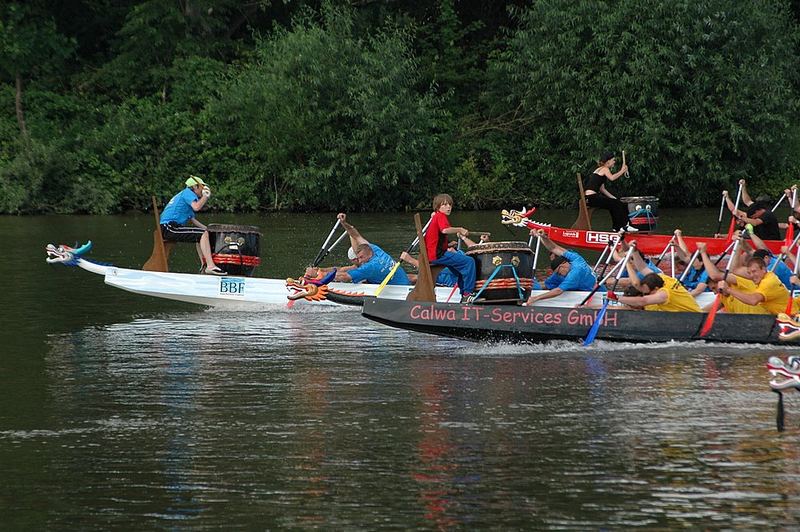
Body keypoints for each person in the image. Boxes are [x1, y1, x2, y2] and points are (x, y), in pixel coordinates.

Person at [305, 213, 411, 285]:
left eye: (360, 258)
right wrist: (343, 223)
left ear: (367, 255)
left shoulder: (371, 266)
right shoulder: (375, 250)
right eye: (357, 258)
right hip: (402, 281)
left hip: (399, 290)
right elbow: (356, 235)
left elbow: (345, 276)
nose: (359, 260)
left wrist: (321, 275)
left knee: (357, 274)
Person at [697, 240, 792, 314]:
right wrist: (739, 244)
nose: (751, 276)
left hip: (774, 319)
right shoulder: (722, 296)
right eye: (749, 273)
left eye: (714, 288)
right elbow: (735, 269)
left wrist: (703, 252)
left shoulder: (765, 281)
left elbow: (715, 275)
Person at [159, 175, 226, 275]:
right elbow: (197, 207)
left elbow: (193, 220)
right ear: (195, 187)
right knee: (202, 234)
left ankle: (204, 266)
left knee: (201, 235)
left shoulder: (187, 199)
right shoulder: (188, 193)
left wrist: (209, 230)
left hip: (171, 227)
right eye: (202, 187)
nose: (203, 190)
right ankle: (210, 266)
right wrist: (205, 197)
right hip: (169, 227)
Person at [613, 242, 702, 312]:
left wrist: (617, 298)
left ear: (656, 289)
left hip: (692, 320)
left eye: (648, 293)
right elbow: (642, 268)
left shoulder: (663, 294)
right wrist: (635, 251)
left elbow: (643, 301)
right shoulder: (664, 278)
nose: (646, 294)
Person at [424, 194, 477, 302]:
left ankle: (464, 295)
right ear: (438, 207)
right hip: (437, 255)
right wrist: (460, 229)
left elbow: (436, 238)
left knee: (461, 269)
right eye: (445, 205)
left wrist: (448, 244)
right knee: (469, 262)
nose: (448, 207)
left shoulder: (436, 217)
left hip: (434, 253)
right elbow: (445, 230)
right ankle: (468, 294)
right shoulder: (440, 216)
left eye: (450, 205)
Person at [526, 229, 597, 305]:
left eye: (559, 272)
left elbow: (558, 291)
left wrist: (535, 298)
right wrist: (543, 237)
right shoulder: (576, 258)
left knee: (558, 283)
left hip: (594, 292)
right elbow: (554, 248)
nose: (559, 274)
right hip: (578, 284)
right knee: (542, 284)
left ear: (563, 265)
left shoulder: (575, 273)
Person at [584, 152, 637, 232]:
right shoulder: (604, 169)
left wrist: (614, 198)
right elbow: (612, 178)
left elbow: (603, 189)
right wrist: (622, 171)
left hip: (590, 198)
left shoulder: (599, 170)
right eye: (613, 160)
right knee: (615, 204)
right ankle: (623, 226)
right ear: (608, 162)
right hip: (592, 198)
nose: (614, 162)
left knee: (616, 203)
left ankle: (617, 227)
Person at [673, 229, 709, 296]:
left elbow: (699, 290)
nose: (691, 261)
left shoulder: (706, 273)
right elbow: (684, 256)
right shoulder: (692, 267)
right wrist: (676, 246)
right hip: (687, 291)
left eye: (694, 259)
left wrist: (684, 297)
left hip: (700, 295)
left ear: (701, 262)